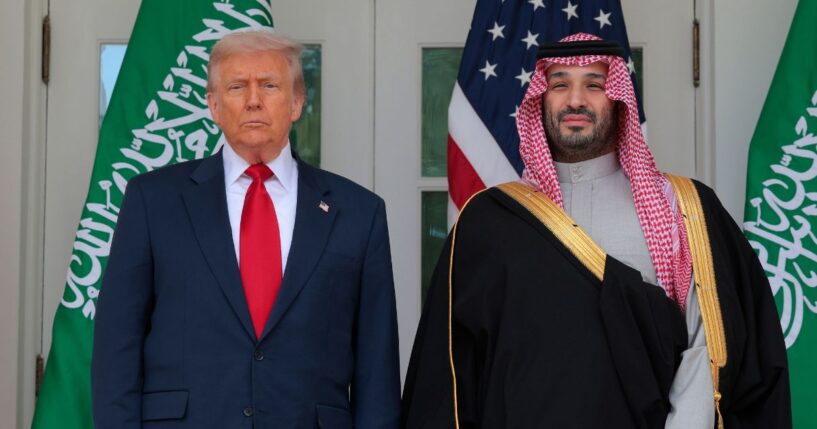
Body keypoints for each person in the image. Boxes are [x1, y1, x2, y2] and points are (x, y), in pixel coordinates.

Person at [402, 33, 791, 429]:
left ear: (618, 97)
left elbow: (706, 347)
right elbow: (449, 373)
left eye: (594, 84)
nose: (575, 101)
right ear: (540, 99)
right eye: (559, 85)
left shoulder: (682, 208)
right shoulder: (488, 221)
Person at [92, 30, 400, 428]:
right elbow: (117, 348)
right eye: (237, 86)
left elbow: (378, 372)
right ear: (214, 105)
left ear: (296, 102)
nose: (253, 99)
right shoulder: (152, 202)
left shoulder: (360, 213)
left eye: (269, 85)